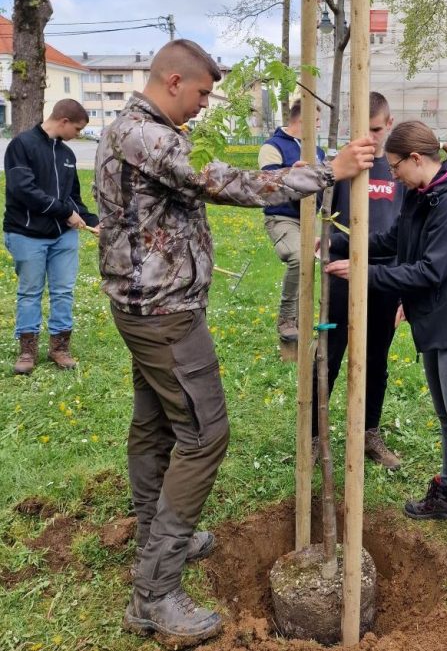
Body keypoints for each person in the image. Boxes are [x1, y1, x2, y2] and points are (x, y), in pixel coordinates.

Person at [93, 38, 374, 645]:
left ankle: (155, 538)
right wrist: (329, 169)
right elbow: (233, 183)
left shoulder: (131, 131)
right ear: (172, 81)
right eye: (199, 94)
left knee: (157, 425)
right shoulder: (147, 136)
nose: (202, 105)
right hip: (164, 314)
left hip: (147, 307)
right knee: (205, 435)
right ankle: (155, 593)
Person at [326, 120, 447, 600]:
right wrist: (340, 243)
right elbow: (395, 245)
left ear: (416, 160)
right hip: (437, 327)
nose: (394, 177)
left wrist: (361, 273)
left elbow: (428, 270)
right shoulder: (421, 196)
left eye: (395, 167)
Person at [312, 91, 404, 469]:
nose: (370, 136)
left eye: (377, 129)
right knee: (328, 356)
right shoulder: (341, 168)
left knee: (375, 360)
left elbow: (408, 232)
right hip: (339, 276)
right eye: (361, 129)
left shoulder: (398, 171)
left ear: (390, 124)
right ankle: (316, 437)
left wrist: (404, 294)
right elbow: (317, 216)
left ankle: (369, 432)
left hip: (385, 280)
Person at [3, 99, 99, 374]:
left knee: (63, 291)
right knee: (30, 292)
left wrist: (93, 221)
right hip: (27, 233)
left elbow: (73, 199)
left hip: (63, 236)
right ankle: (27, 351)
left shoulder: (67, 155)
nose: (78, 134)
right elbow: (23, 190)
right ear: (64, 121)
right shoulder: (22, 146)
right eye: (78, 128)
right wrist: (64, 211)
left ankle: (59, 348)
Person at [259, 99, 325, 342]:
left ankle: (309, 317)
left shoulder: (317, 151)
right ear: (302, 121)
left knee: (317, 261)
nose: (319, 126)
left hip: (310, 219)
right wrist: (291, 174)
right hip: (282, 218)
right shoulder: (272, 147)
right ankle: (287, 318)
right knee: (300, 257)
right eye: (316, 121)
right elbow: (268, 187)